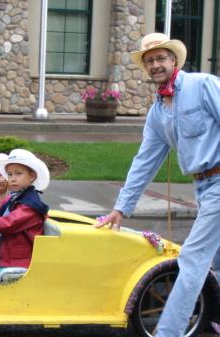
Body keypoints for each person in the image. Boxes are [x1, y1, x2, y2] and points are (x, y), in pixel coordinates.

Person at [93, 32, 220, 337]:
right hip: (203, 188)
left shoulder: (203, 86)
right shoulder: (158, 112)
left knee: (192, 258)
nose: (155, 64)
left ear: (174, 60)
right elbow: (144, 162)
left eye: (161, 58)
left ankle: (168, 333)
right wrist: (121, 208)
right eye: (150, 61)